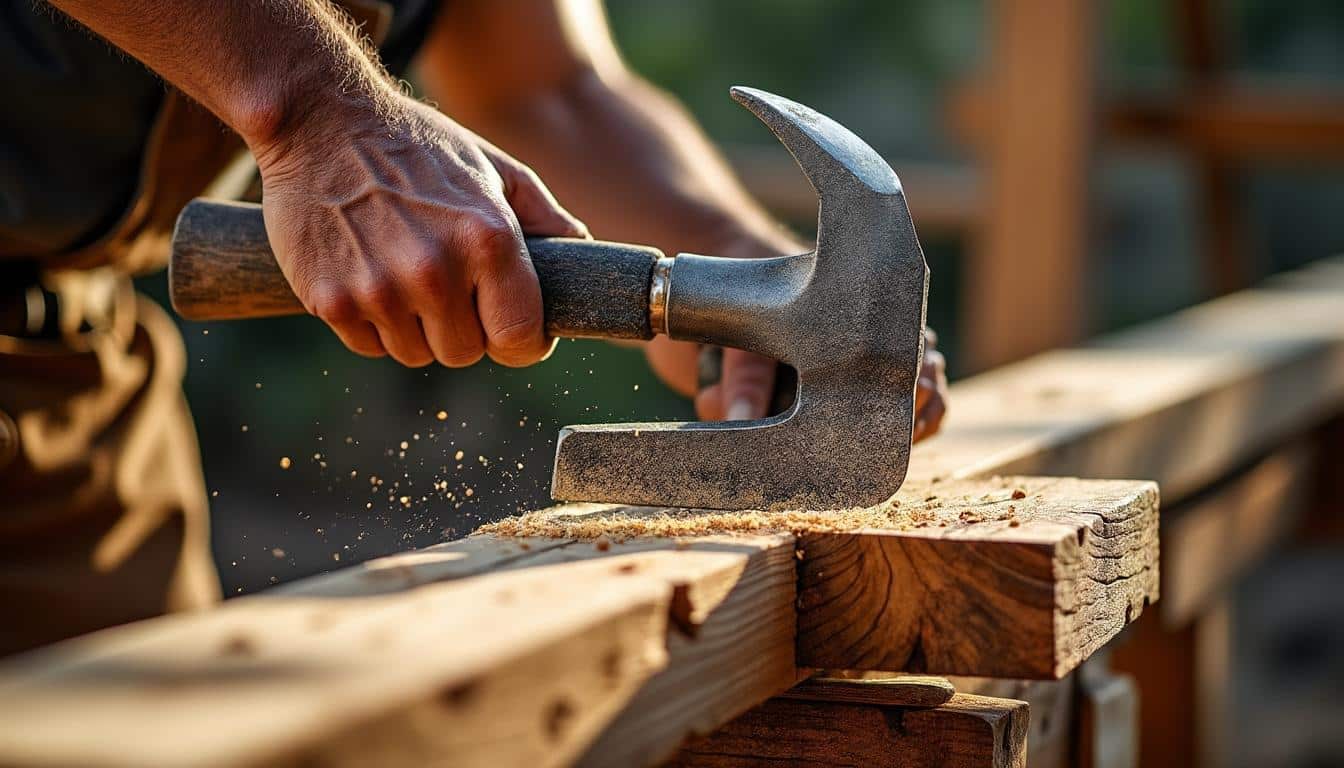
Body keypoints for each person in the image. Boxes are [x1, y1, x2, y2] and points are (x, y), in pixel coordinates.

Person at [0, 0, 948, 656]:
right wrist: (313, 108)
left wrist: (735, 251)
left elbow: (550, 90)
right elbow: (317, 111)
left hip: (79, 371)